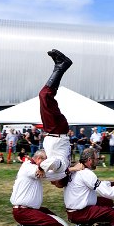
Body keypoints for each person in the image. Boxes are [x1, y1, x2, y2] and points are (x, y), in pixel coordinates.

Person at [10, 149, 65, 226]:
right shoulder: (29, 167)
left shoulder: (30, 166)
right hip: (23, 211)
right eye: (46, 161)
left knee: (55, 219)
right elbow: (48, 175)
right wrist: (69, 170)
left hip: (28, 209)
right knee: (51, 223)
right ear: (39, 159)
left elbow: (52, 179)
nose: (48, 165)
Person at [37, 49, 74, 185]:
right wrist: (41, 167)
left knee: (45, 96)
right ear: (59, 180)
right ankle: (61, 66)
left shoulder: (62, 170)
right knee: (44, 96)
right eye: (54, 183)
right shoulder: (61, 168)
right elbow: (54, 162)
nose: (52, 183)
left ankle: (59, 66)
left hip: (55, 131)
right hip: (56, 131)